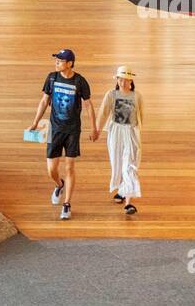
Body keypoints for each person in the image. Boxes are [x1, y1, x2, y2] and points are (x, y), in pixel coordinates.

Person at [29, 48, 98, 221]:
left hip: (73, 130)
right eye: (57, 60)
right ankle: (59, 184)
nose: (57, 63)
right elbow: (44, 100)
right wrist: (35, 122)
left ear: (70, 63)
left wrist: (94, 128)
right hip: (54, 128)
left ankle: (67, 204)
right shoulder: (52, 78)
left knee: (69, 167)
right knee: (51, 169)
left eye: (60, 61)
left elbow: (88, 105)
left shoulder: (80, 81)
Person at [98, 66, 143, 216]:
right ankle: (122, 191)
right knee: (117, 162)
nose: (123, 82)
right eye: (120, 79)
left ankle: (128, 203)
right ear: (117, 80)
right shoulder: (111, 95)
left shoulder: (137, 96)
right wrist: (96, 130)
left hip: (130, 132)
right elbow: (103, 113)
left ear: (131, 80)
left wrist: (137, 134)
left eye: (126, 79)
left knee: (129, 164)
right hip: (115, 132)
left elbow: (140, 116)